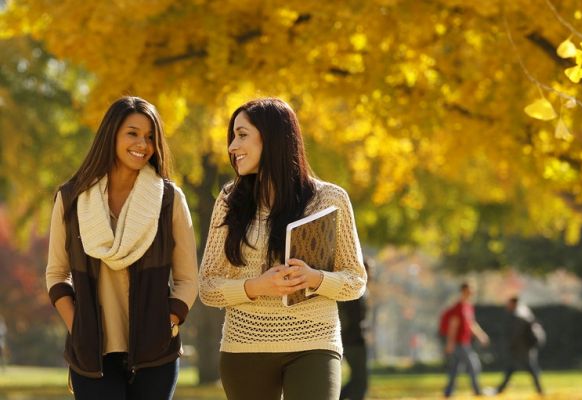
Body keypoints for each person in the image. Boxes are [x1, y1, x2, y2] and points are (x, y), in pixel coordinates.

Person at [198, 98, 367, 400]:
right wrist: (255, 286)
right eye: (232, 137)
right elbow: (208, 287)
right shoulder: (228, 200)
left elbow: (355, 280)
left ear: (273, 138)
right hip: (245, 345)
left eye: (242, 135)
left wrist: (315, 278)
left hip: (314, 341)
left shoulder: (330, 199)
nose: (232, 146)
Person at [45, 96, 199, 399]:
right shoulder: (71, 198)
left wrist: (166, 323)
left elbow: (187, 279)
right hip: (91, 353)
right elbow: (56, 273)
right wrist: (79, 327)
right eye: (133, 133)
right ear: (111, 134)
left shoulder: (169, 200)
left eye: (150, 136)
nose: (143, 143)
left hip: (156, 353)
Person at [442, 282, 490, 398]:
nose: (471, 293)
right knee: (474, 365)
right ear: (463, 291)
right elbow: (453, 326)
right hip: (459, 343)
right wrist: (450, 343)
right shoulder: (458, 308)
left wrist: (481, 335)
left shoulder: (468, 307)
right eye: (469, 291)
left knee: (455, 368)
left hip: (465, 342)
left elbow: (471, 324)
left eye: (472, 291)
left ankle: (448, 392)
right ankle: (477, 390)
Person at [495, 296, 544, 396]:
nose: (507, 306)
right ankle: (540, 390)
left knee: (526, 368)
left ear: (513, 303)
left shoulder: (518, 315)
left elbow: (517, 334)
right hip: (526, 347)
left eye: (509, 303)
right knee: (514, 368)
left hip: (523, 348)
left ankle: (540, 390)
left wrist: (511, 345)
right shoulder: (525, 311)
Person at [338, 262, 369, 400]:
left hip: (355, 339)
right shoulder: (352, 292)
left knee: (360, 380)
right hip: (352, 341)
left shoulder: (361, 291)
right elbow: (346, 318)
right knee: (360, 381)